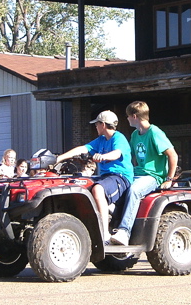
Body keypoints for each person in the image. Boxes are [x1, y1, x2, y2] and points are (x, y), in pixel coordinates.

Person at [57, 110, 133, 243]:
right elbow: (83, 149)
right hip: (105, 177)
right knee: (79, 183)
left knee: (98, 189)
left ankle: (105, 235)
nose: (95, 127)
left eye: (96, 124)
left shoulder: (118, 138)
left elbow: (117, 153)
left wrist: (103, 156)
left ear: (103, 124)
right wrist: (58, 158)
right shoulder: (101, 140)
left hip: (120, 177)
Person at [110, 101, 177, 246]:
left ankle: (124, 231)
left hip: (153, 176)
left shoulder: (155, 133)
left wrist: (169, 179)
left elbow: (173, 155)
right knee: (118, 184)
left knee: (134, 190)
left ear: (134, 116)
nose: (126, 119)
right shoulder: (135, 135)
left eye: (128, 116)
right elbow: (128, 156)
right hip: (137, 173)